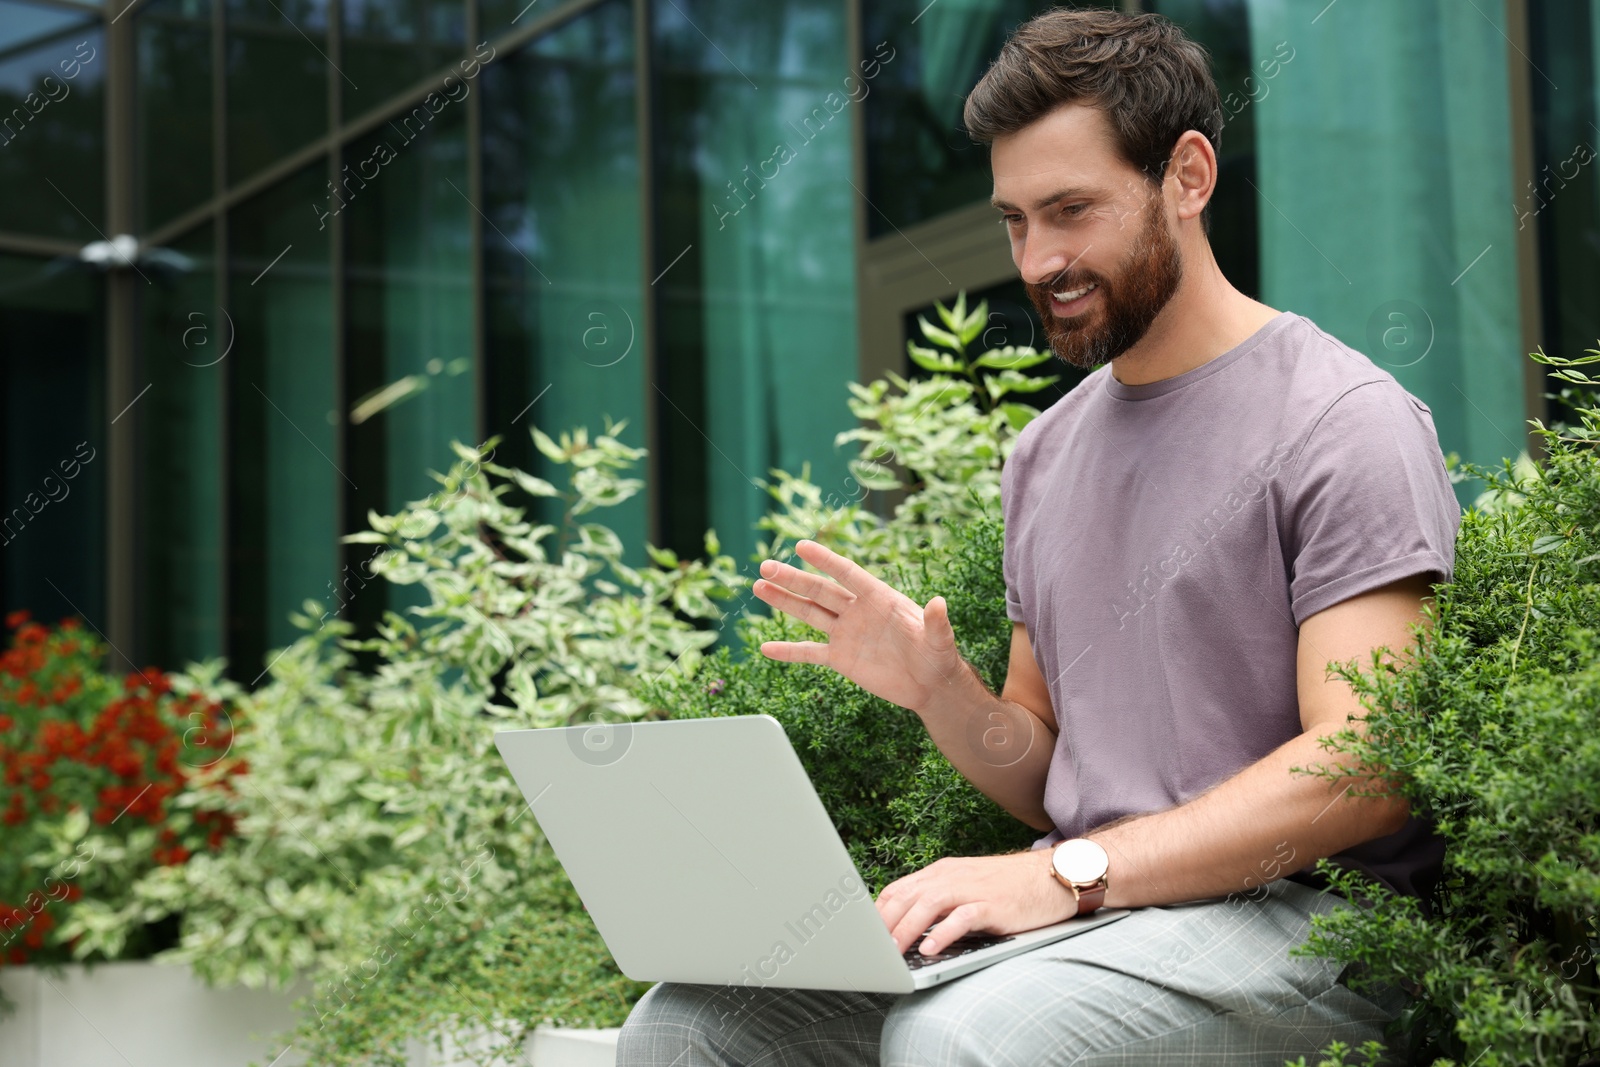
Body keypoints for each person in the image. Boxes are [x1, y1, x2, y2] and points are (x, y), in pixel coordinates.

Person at [616, 8, 1460, 1065]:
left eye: (1072, 209)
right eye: (1015, 219)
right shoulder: (1046, 456)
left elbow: (1362, 763)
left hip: (1313, 926)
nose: (1039, 257)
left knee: (964, 1039)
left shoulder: (1342, 421)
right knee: (689, 1025)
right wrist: (940, 693)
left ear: (1187, 175)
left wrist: (1062, 872)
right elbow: (1051, 766)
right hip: (1109, 922)